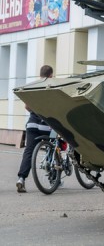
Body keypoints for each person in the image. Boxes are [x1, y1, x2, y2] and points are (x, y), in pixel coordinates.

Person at [16, 65, 54, 193]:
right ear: (51, 75)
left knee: (28, 151)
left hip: (32, 124)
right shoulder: (51, 87)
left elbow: (27, 106)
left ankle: (21, 179)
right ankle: (53, 178)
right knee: (52, 148)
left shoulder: (34, 86)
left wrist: (36, 112)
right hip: (46, 126)